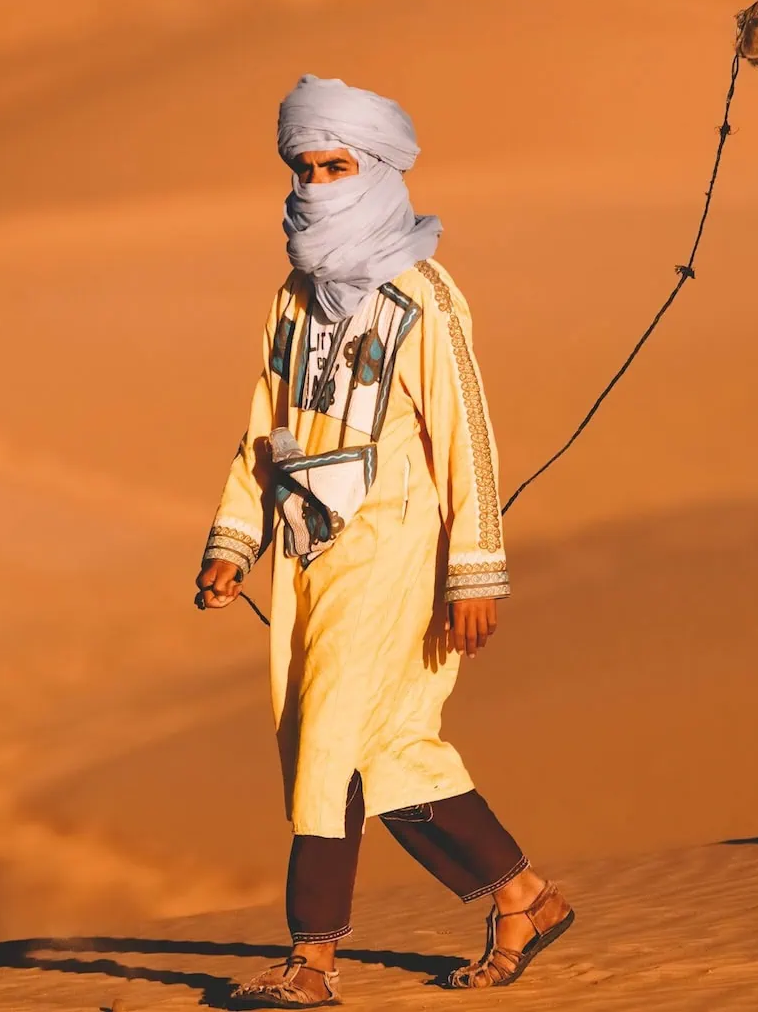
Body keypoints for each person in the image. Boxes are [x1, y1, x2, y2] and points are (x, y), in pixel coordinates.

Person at [196, 75, 573, 1008]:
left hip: (399, 549)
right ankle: (524, 898)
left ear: (379, 168)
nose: (319, 183)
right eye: (305, 166)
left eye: (337, 164)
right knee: (387, 749)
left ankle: (312, 964)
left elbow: (466, 436)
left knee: (329, 744)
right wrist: (233, 542)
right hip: (307, 556)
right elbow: (263, 427)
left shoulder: (422, 293)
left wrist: (475, 572)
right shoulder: (292, 299)